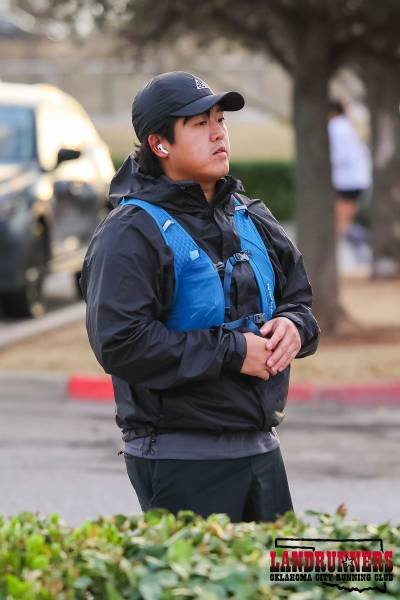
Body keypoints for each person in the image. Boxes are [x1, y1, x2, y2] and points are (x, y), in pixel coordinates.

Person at [80, 71, 320, 523]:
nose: (218, 133)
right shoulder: (130, 233)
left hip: (261, 447)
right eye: (199, 124)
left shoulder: (251, 216)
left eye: (220, 120)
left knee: (274, 571)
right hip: (179, 455)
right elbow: (121, 343)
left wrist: (294, 327)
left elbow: (299, 301)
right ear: (159, 144)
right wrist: (233, 352)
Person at [327, 100, 372, 237]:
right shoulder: (346, 125)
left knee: (342, 212)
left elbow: (339, 155)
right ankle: (348, 236)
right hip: (358, 176)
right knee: (348, 210)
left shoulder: (335, 127)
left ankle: (345, 236)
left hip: (347, 178)